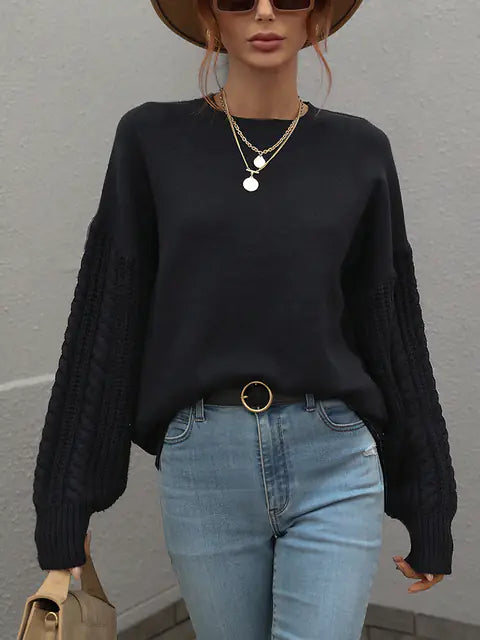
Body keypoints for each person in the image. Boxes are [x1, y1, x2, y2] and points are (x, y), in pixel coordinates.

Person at [32, 0, 457, 638]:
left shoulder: (360, 150)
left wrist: (427, 502)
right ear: (212, 18)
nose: (264, 13)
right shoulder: (150, 139)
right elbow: (109, 317)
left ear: (314, 17)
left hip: (334, 456)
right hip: (203, 462)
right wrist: (66, 503)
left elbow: (391, 325)